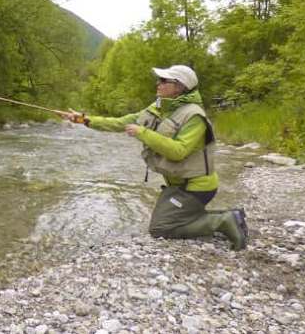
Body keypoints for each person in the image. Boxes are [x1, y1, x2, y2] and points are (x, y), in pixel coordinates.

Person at [63, 65, 248, 251]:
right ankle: (226, 216)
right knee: (168, 219)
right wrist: (83, 119)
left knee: (161, 228)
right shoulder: (158, 108)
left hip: (197, 187)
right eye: (159, 79)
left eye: (164, 80)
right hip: (177, 185)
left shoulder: (195, 116)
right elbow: (120, 122)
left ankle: (224, 220)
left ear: (180, 87)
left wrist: (143, 133)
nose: (158, 83)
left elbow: (178, 151)